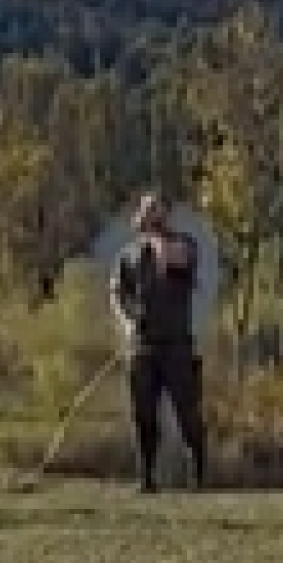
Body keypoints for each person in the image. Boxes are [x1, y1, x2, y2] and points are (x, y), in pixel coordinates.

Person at [110, 190, 207, 493]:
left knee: (187, 412)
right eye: (146, 209)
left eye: (155, 209)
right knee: (143, 414)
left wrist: (155, 237)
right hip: (143, 345)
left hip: (177, 344)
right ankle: (147, 479)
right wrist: (126, 323)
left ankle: (200, 477)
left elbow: (172, 261)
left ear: (164, 214)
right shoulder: (127, 254)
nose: (150, 213)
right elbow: (117, 293)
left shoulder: (183, 244)